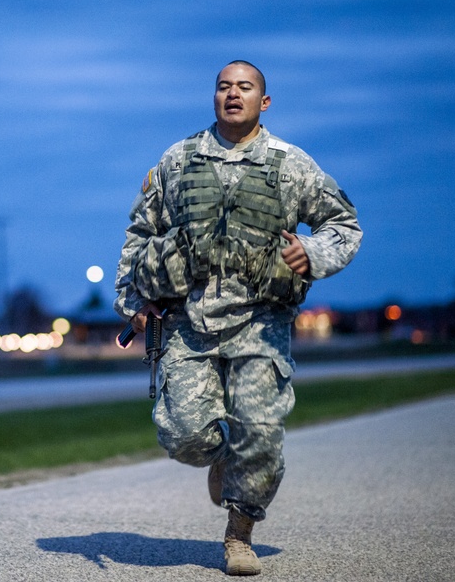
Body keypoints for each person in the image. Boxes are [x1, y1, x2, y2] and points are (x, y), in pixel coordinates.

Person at [113, 60, 362, 576]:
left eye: (244, 88)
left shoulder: (291, 165)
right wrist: (133, 302)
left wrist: (313, 254)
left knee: (262, 433)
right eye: (224, 87)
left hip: (261, 322)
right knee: (182, 436)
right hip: (187, 321)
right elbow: (140, 233)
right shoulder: (177, 161)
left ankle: (239, 535)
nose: (233, 94)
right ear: (213, 99)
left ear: (263, 102)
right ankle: (221, 458)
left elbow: (344, 224)